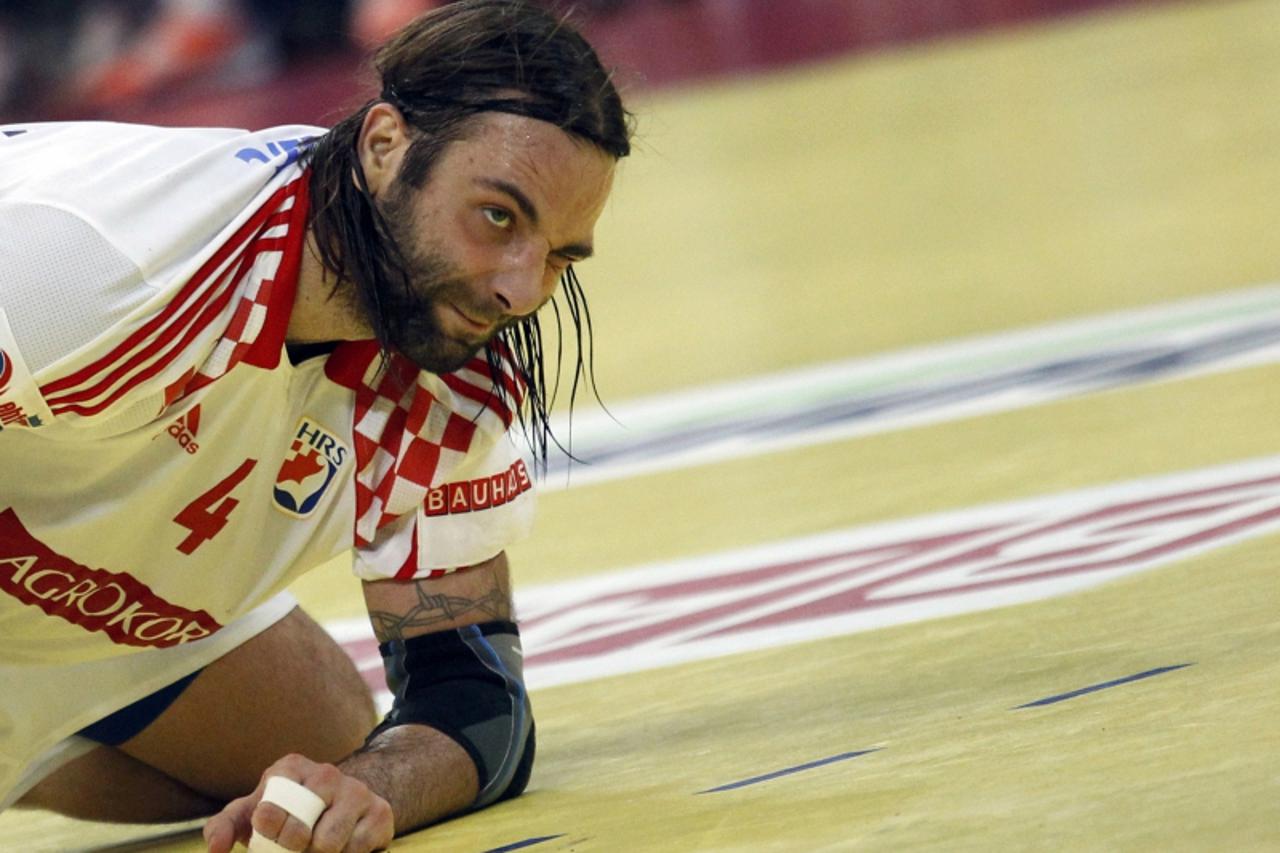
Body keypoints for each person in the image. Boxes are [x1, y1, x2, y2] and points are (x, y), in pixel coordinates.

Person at [0, 0, 632, 850]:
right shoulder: (87, 271)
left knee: (320, 738)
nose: (521, 290)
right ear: (383, 147)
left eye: (558, 254)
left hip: (54, 575)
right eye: (497, 217)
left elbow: (477, 704)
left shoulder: (454, 372)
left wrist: (374, 789)